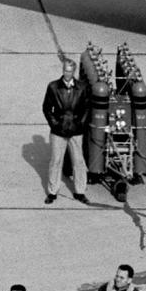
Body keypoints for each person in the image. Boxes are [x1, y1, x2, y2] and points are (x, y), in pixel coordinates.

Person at [42, 58, 91, 203]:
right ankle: (52, 192)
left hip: (75, 132)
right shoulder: (53, 87)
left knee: (79, 162)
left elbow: (86, 109)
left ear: (73, 71)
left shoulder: (82, 88)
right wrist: (55, 124)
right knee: (56, 161)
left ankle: (80, 191)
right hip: (59, 131)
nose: (67, 74)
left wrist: (80, 124)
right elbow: (46, 108)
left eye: (69, 71)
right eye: (65, 70)